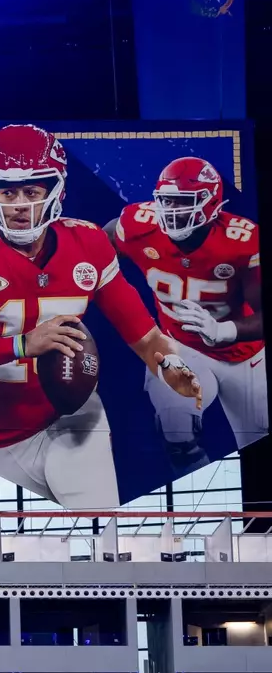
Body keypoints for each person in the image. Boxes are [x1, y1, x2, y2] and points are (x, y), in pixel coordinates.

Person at [0, 124, 202, 507]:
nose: (19, 204)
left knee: (99, 531)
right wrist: (21, 345)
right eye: (8, 192)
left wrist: (169, 365)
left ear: (55, 191)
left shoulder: (88, 242)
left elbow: (145, 335)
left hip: (72, 415)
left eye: (32, 191)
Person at [107, 157, 265, 469]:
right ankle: (199, 505)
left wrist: (224, 331)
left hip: (244, 354)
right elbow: (100, 246)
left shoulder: (242, 242)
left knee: (259, 441)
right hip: (182, 346)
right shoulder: (138, 224)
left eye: (183, 201)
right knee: (177, 433)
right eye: (166, 200)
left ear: (212, 203)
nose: (172, 210)